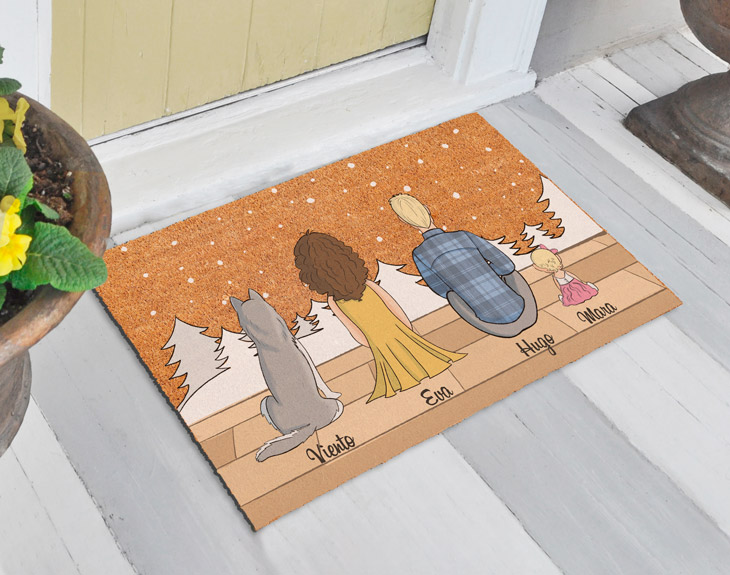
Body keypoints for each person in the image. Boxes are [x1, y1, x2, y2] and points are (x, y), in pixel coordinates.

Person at [294, 231, 465, 403]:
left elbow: (352, 328)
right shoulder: (368, 284)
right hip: (396, 330)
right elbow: (392, 304)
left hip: (376, 341)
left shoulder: (334, 301)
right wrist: (406, 324)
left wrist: (366, 341)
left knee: (392, 362)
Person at [389, 193, 537, 338]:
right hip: (520, 306)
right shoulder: (463, 235)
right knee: (509, 272)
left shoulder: (419, 254)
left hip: (487, 319)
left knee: (452, 294)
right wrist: (487, 273)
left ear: (403, 221)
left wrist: (464, 285)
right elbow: (506, 265)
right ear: (427, 209)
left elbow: (441, 290)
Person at [530, 245, 598, 306]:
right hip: (573, 283)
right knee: (582, 290)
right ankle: (588, 289)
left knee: (570, 296)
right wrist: (580, 281)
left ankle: (569, 298)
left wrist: (561, 290)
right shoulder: (563, 272)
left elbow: (558, 285)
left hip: (565, 287)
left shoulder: (555, 276)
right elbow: (573, 276)